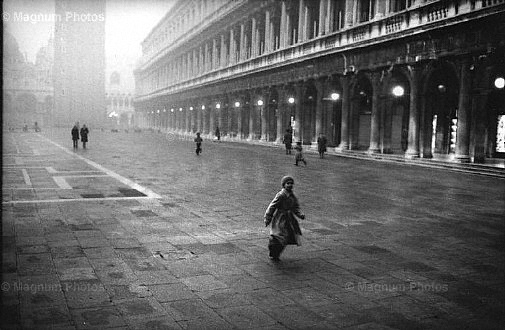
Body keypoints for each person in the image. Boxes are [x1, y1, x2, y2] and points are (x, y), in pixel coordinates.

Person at [264, 176, 305, 262]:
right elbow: (272, 206)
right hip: (280, 218)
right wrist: (268, 217)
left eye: (291, 183)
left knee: (286, 237)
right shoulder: (281, 195)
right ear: (284, 185)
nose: (290, 185)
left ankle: (276, 252)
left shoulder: (292, 195)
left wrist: (299, 214)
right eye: (288, 183)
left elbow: (295, 207)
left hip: (289, 219)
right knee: (278, 235)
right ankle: (273, 250)